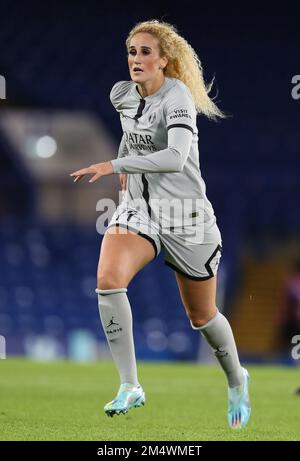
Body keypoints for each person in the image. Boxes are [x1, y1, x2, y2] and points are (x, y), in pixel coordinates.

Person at [70, 19, 251, 429]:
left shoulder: (178, 97)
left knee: (202, 316)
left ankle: (236, 378)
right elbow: (132, 136)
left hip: (187, 217)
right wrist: (123, 168)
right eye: (132, 51)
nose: (136, 59)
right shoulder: (122, 95)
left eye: (145, 52)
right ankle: (130, 384)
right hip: (139, 211)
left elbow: (173, 157)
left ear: (164, 60)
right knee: (108, 279)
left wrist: (113, 163)